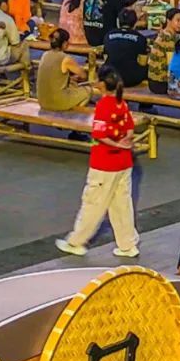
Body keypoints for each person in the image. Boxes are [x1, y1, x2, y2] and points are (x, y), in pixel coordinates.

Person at [56, 69, 140, 258]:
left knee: (93, 204)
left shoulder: (103, 105)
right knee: (122, 205)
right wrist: (125, 143)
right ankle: (127, 244)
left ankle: (76, 241)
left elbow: (100, 134)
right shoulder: (121, 103)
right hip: (123, 163)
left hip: (104, 164)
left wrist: (117, 144)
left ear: (102, 84)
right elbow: (129, 129)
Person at [36, 29, 90, 111]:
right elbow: (83, 75)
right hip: (57, 102)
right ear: (65, 43)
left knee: (71, 85)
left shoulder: (45, 55)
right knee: (88, 91)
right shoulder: (65, 58)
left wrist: (69, 78)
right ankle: (73, 114)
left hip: (42, 102)